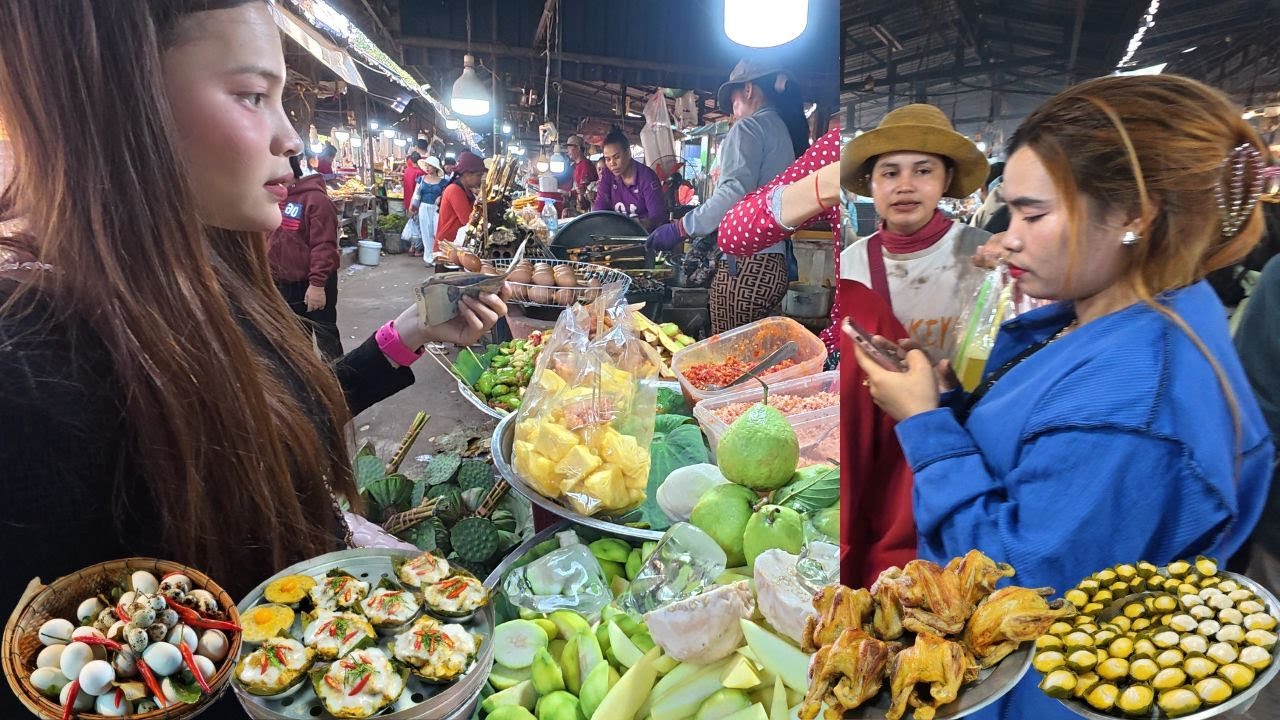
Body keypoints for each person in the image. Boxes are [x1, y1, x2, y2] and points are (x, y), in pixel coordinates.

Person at [0, 8, 508, 705]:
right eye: (250, 95)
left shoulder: (200, 268)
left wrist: (408, 334)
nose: (292, 138)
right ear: (123, 104)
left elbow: (262, 430)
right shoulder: (29, 369)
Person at [853, 74, 1273, 720]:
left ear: (1134, 214)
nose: (1009, 235)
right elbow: (1027, 436)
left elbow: (1016, 589)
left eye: (1034, 213)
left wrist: (923, 422)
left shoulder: (1134, 405)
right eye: (1010, 209)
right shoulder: (1103, 316)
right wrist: (945, 396)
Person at [647, 59, 808, 334]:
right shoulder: (781, 130)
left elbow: (732, 194)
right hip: (774, 265)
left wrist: (681, 227)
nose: (733, 110)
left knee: (729, 360)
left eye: (733, 98)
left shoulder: (749, 128)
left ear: (747, 90)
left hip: (745, 267)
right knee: (761, 357)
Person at [842, 104, 992, 359]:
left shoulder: (984, 256)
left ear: (946, 179)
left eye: (923, 171)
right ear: (871, 182)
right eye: (890, 173)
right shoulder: (849, 265)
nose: (905, 186)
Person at [717, 127, 842, 352]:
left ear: (746, 90)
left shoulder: (748, 130)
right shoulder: (836, 149)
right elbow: (731, 233)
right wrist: (820, 187)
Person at [268, 154, 344, 360]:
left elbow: (324, 246)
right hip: (284, 283)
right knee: (295, 338)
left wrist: (317, 285)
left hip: (314, 283)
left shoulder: (316, 200)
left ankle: (339, 385)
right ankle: (309, 385)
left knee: (325, 335)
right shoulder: (274, 198)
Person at [592, 129, 665, 230]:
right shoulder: (607, 174)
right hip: (616, 236)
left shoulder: (647, 178)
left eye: (617, 157)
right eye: (607, 159)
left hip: (645, 237)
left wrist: (634, 225)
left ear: (628, 153)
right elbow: (599, 208)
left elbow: (657, 218)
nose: (612, 163)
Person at [436, 150, 486, 249]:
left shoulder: (466, 189)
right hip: (448, 246)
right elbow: (467, 220)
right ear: (467, 174)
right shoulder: (455, 190)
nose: (481, 179)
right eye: (478, 175)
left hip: (457, 244)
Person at [409, 155, 447, 258]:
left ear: (435, 168)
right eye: (427, 165)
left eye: (430, 166)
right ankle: (428, 256)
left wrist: (440, 197)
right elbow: (416, 194)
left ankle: (436, 255)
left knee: (435, 232)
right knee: (425, 232)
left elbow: (445, 194)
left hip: (436, 209)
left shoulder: (443, 182)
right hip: (423, 207)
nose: (428, 168)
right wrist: (412, 206)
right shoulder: (421, 179)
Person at [565, 134, 597, 213]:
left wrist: (568, 193)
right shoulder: (577, 165)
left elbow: (583, 189)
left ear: (578, 148)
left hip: (588, 207)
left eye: (569, 147)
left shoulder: (586, 165)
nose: (567, 151)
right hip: (580, 203)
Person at [401, 145, 425, 212]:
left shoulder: (407, 170)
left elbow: (403, 183)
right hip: (415, 202)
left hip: (407, 199)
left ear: (411, 160)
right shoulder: (419, 172)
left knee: (409, 219)